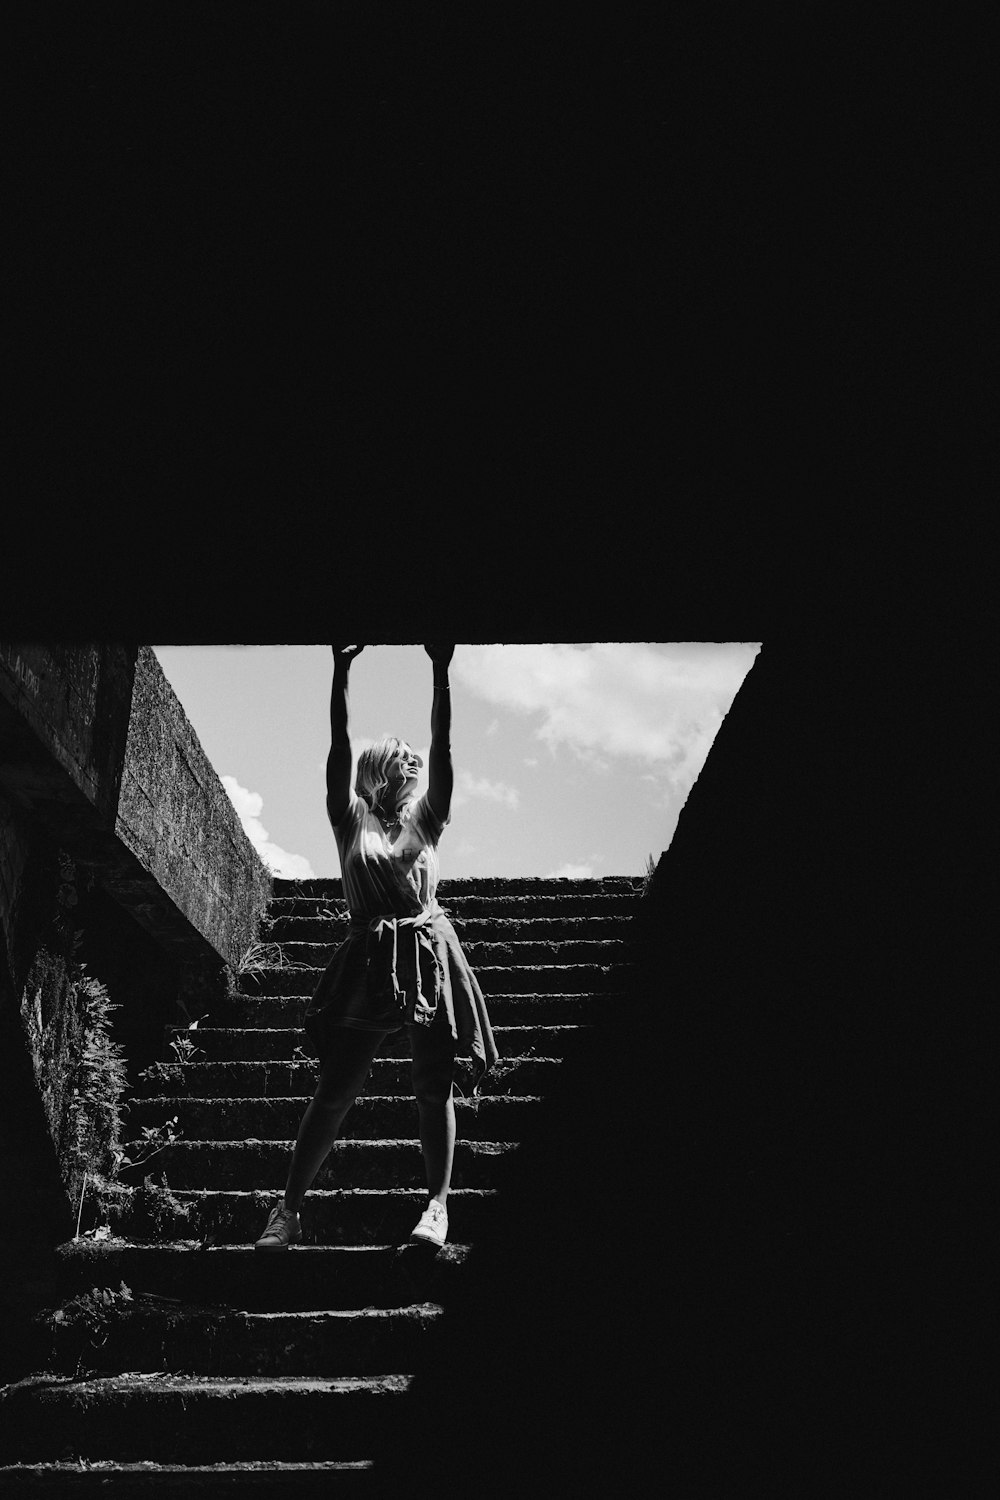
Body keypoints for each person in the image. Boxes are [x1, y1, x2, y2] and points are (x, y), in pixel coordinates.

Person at [255, 642, 498, 1252]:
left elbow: (444, 751)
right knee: (336, 1088)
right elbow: (338, 747)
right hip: (369, 951)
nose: (415, 774)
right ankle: (288, 1211)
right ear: (383, 772)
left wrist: (440, 673)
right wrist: (341, 673)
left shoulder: (428, 819)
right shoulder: (349, 816)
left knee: (431, 1085)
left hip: (425, 947)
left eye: (418, 770)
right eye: (406, 767)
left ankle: (437, 1207)